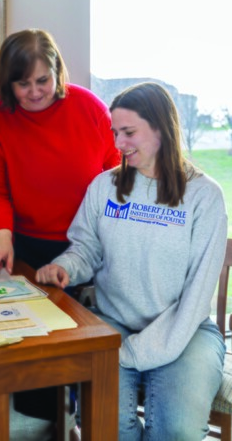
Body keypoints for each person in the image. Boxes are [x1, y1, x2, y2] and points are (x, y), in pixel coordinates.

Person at [36, 81, 228, 440]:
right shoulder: (104, 186)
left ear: (161, 128)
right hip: (112, 323)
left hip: (185, 333)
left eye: (128, 132)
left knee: (175, 431)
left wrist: (134, 353)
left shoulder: (205, 196)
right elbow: (86, 248)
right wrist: (66, 266)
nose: (118, 144)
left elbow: (197, 295)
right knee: (107, 429)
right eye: (115, 132)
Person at [0, 28, 120, 428]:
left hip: (90, 246)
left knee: (84, 353)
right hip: (27, 249)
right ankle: (54, 421)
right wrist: (0, 234)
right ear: (7, 83)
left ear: (58, 73)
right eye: (22, 83)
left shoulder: (89, 109)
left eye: (43, 81)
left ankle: (84, 415)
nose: (35, 92)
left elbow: (117, 178)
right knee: (36, 382)